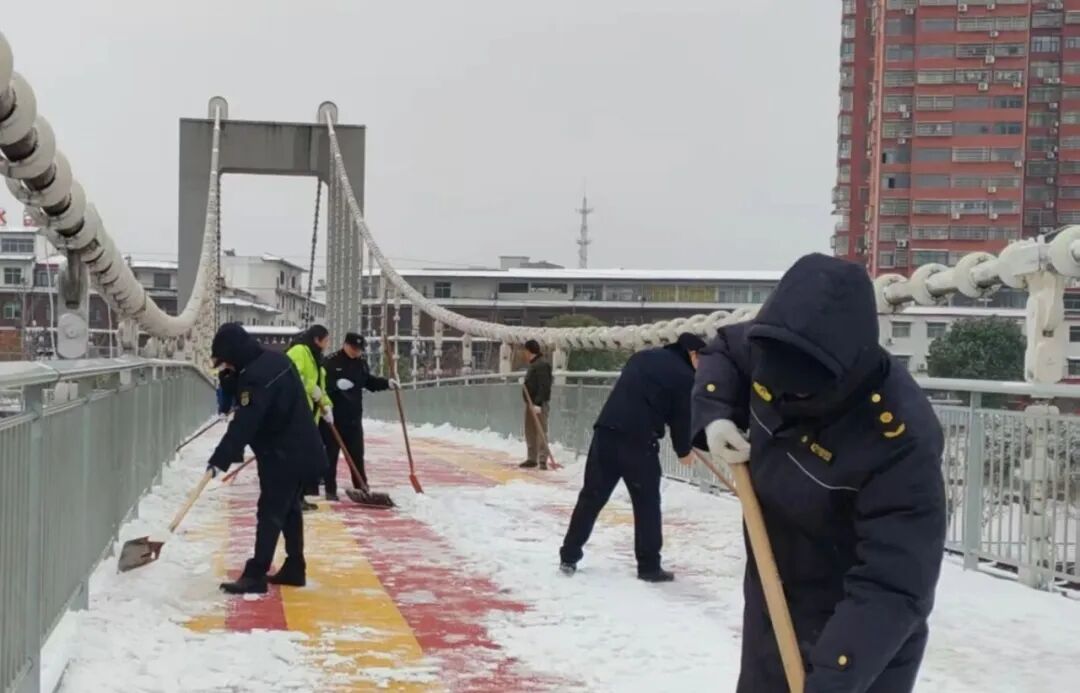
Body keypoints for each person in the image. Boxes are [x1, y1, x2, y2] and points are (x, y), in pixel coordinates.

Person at [692, 253, 946, 692]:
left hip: (861, 631)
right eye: (771, 388)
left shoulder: (900, 441)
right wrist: (715, 413)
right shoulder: (775, 345)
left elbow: (893, 583)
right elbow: (726, 351)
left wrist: (831, 680)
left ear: (837, 377)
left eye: (798, 394)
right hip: (774, 586)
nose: (781, 399)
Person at [559, 332, 706, 582]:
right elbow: (680, 418)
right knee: (646, 503)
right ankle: (649, 567)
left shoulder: (641, 357)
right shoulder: (684, 376)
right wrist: (684, 451)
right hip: (639, 441)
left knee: (591, 497)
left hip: (606, 432)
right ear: (693, 354)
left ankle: (569, 556)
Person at [206, 323, 324, 595]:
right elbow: (250, 405)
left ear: (233, 353)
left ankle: (256, 574)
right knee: (289, 509)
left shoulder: (257, 377)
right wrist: (231, 381)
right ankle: (295, 567)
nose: (226, 367)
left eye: (226, 362)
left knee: (270, 511)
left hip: (285, 453)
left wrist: (220, 458)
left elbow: (246, 422)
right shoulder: (273, 361)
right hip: (298, 449)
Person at [320, 333, 399, 500]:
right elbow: (320, 385)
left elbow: (368, 382)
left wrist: (386, 383)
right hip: (333, 418)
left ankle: (362, 486)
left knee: (357, 455)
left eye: (359, 349)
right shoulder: (330, 362)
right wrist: (335, 385)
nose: (357, 352)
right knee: (330, 456)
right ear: (346, 345)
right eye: (354, 348)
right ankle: (330, 490)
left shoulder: (361, 363)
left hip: (353, 418)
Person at [286, 325, 333, 511]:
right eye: (326, 340)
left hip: (309, 417)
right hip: (295, 415)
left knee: (304, 460)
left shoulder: (316, 359)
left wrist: (327, 406)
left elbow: (321, 388)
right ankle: (292, 499)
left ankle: (299, 497)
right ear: (316, 339)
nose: (327, 344)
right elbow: (292, 375)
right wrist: (311, 388)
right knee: (296, 460)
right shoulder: (299, 351)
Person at [520, 339, 553, 469]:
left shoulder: (542, 365)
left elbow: (544, 386)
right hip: (530, 403)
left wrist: (538, 403)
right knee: (530, 430)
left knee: (540, 430)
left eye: (524, 351)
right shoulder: (534, 364)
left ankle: (543, 459)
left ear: (529, 351)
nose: (524, 353)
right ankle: (532, 458)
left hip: (538, 404)